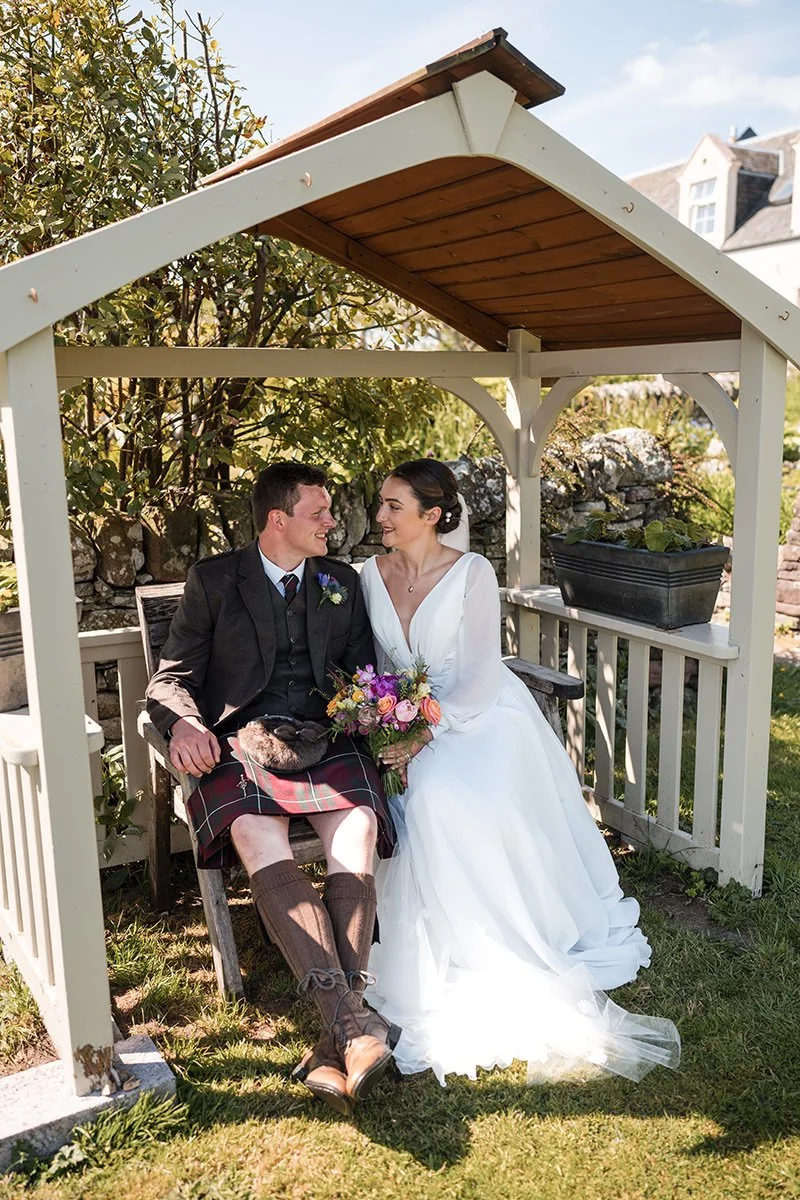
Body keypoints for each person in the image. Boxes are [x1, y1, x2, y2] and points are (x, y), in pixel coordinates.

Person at [358, 459, 681, 1086]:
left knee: (440, 796)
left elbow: (480, 670)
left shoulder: (473, 573)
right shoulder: (370, 575)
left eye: (394, 506)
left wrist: (429, 726)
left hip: (477, 718)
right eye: (380, 504)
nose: (380, 517)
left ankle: (492, 941)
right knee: (411, 793)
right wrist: (382, 719)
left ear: (432, 515)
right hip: (400, 722)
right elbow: (374, 663)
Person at [146, 462, 398, 1117]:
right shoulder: (215, 580)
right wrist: (185, 724)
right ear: (277, 519)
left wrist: (374, 709)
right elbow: (170, 677)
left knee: (359, 828)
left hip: (323, 737)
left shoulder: (339, 581)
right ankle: (355, 1022)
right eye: (319, 512)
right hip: (239, 742)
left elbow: (361, 670)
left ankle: (334, 1031)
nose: (332, 522)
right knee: (258, 835)